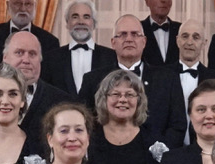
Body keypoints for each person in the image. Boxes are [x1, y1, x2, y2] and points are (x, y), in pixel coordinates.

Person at [79, 15, 188, 147]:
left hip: (155, 162)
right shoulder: (92, 80)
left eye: (135, 34)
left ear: (144, 41)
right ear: (113, 42)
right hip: (105, 159)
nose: (129, 39)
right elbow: (83, 122)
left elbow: (178, 126)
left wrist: (160, 153)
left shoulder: (168, 79)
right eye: (123, 34)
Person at [88, 69, 161, 164]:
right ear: (104, 99)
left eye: (129, 94)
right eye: (115, 94)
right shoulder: (89, 138)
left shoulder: (151, 139)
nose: (123, 100)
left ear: (139, 101)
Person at [46, 0, 113, 95]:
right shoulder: (51, 58)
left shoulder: (111, 57)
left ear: (93, 24)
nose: (81, 21)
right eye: (75, 17)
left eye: (86, 17)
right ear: (67, 23)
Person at [173, 20, 215, 108]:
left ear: (204, 43)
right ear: (178, 41)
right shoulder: (162, 77)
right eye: (185, 36)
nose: (189, 42)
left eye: (196, 38)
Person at [141, 0, 181, 66]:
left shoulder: (181, 30)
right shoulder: (137, 29)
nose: (163, 0)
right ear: (147, 1)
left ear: (171, 1)